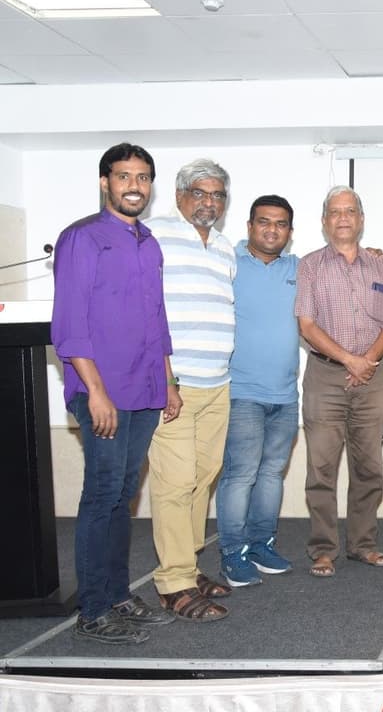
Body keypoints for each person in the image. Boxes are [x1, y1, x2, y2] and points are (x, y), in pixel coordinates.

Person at [52, 143, 176, 644]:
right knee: (101, 496)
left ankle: (119, 594)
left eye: (143, 177)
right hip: (104, 391)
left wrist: (167, 381)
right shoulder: (82, 238)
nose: (134, 186)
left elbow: (157, 319)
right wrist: (96, 393)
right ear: (105, 181)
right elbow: (69, 325)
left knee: (124, 495)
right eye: (124, 176)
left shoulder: (148, 241)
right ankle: (93, 609)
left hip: (146, 389)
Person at [296, 186, 383, 578]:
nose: (343, 218)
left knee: (368, 466)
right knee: (321, 468)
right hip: (325, 375)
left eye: (351, 211)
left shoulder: (382, 266)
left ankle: (363, 544)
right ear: (325, 221)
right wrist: (349, 360)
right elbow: (306, 325)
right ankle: (323, 549)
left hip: (373, 377)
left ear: (361, 219)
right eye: (335, 212)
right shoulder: (309, 266)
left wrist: (368, 361)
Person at [147, 158, 237, 622]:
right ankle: (173, 582)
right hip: (173, 385)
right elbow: (146, 310)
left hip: (217, 383)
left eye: (217, 195)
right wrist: (164, 380)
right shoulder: (154, 236)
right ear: (180, 195)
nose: (209, 202)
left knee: (204, 477)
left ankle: (189, 563)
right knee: (175, 483)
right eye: (200, 193)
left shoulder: (224, 247)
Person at [215, 195, 300, 587]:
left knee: (271, 475)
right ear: (249, 226)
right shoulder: (226, 262)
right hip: (242, 391)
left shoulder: (299, 269)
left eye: (280, 223)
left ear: (290, 231)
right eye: (264, 221)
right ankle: (233, 553)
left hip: (285, 395)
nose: (272, 229)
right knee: (241, 474)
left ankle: (262, 543)